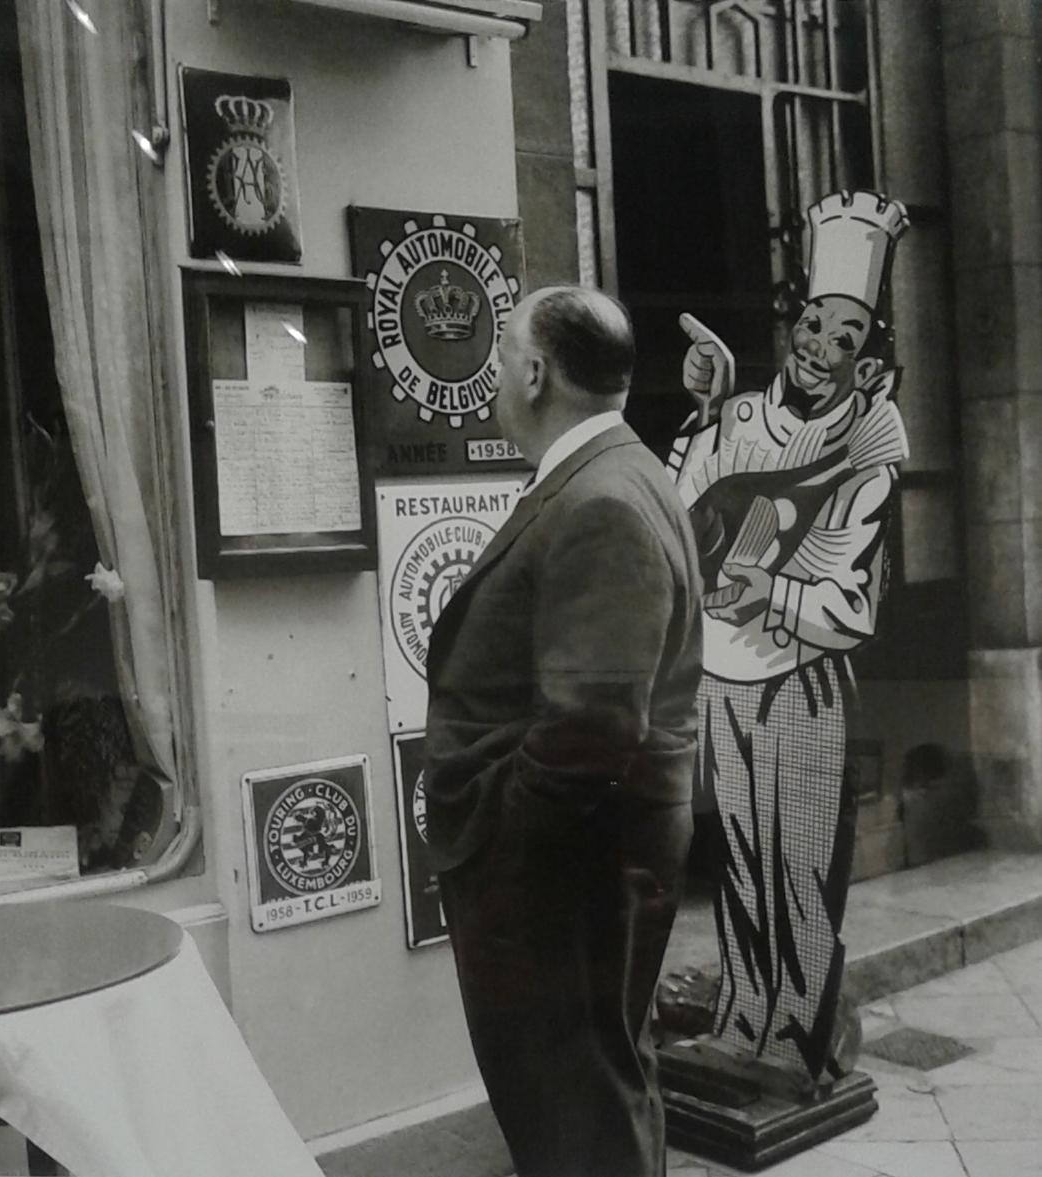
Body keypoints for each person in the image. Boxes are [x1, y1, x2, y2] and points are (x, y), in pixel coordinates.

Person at [424, 285, 703, 1177]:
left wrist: (503, 832)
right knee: (597, 1092)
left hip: (560, 881)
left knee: (574, 1115)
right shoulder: (617, 475)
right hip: (584, 871)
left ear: (538, 372)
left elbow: (589, 729)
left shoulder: (601, 502)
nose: (495, 374)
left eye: (504, 355)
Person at [666, 190, 910, 1080]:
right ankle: (740, 1022)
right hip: (720, 677)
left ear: (867, 357)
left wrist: (768, 585)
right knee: (736, 858)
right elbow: (678, 506)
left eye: (845, 336)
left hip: (800, 679)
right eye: (813, 323)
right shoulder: (736, 418)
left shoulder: (871, 448)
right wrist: (700, 407)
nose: (819, 346)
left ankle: (794, 1040)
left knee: (798, 869)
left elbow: (852, 604)